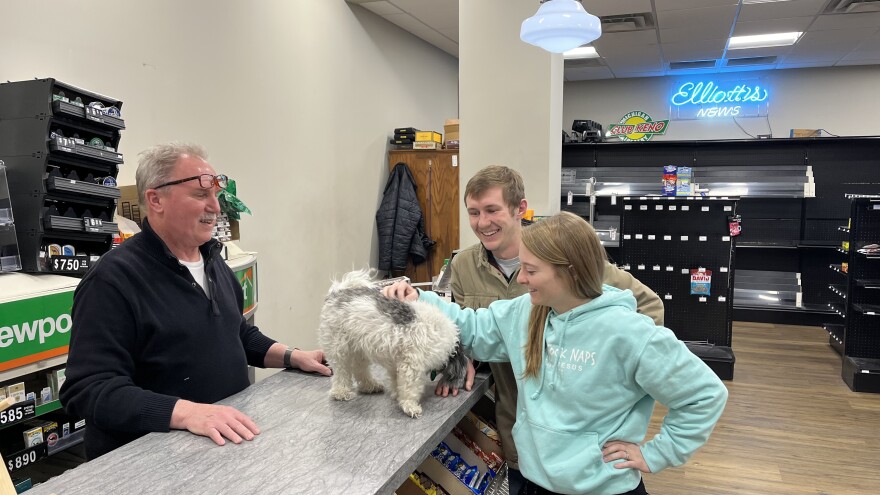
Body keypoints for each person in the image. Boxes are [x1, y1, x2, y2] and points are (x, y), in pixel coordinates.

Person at [384, 212, 728, 495]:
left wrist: (656, 453)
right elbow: (471, 328)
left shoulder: (629, 332)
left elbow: (704, 395)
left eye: (531, 270)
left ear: (570, 273)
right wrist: (419, 300)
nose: (520, 278)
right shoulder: (525, 311)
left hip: (602, 489)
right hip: (534, 484)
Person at [60, 143, 331, 459]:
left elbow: (236, 334)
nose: (215, 207)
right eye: (201, 195)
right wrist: (186, 413)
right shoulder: (112, 280)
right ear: (156, 199)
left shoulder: (213, 261)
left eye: (216, 196)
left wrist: (293, 356)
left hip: (221, 447)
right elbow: (89, 389)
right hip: (150, 465)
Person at [438, 165, 665, 494]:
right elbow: (472, 330)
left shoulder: (564, 255)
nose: (481, 223)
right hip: (517, 433)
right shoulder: (462, 266)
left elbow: (649, 307)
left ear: (520, 208)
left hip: (584, 446)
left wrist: (600, 369)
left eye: (491, 210)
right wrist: (461, 358)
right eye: (473, 212)